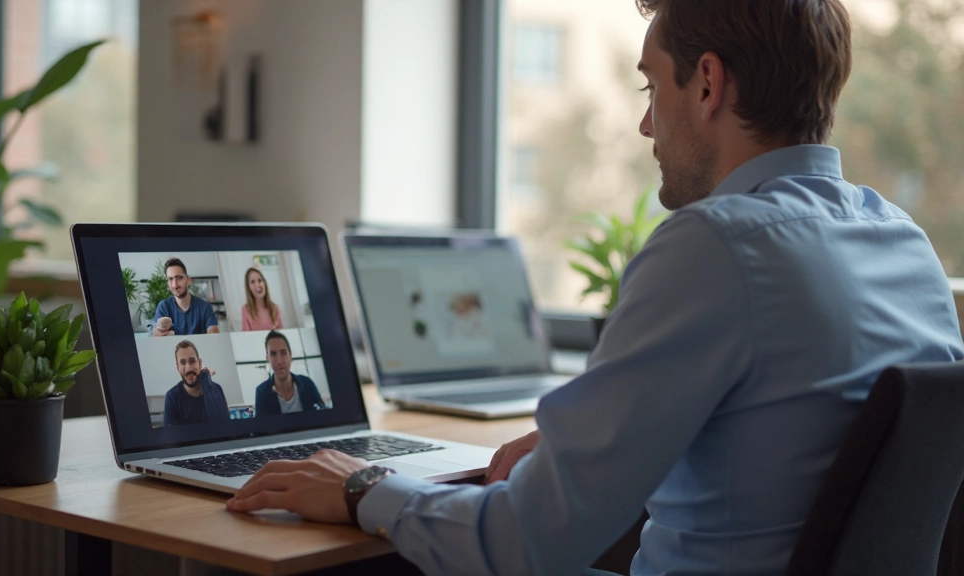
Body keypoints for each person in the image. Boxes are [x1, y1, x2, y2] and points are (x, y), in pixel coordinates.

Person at [224, 1, 964, 574]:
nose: (646, 124)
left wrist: (365, 489)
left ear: (706, 82)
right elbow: (784, 443)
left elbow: (519, 548)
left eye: (651, 86)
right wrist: (584, 435)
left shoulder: (719, 247)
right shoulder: (904, 243)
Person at [254, 331, 326, 416]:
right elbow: (262, 427)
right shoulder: (262, 393)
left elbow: (323, 417)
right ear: (267, 359)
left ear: (290, 356)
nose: (279, 361)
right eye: (273, 354)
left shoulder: (307, 384)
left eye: (283, 353)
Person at [163, 340, 230, 426]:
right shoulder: (172, 397)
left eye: (192, 361)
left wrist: (205, 377)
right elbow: (171, 437)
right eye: (183, 363)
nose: (188, 368)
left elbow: (224, 426)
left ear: (200, 363)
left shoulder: (216, 389)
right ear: (177, 367)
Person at [151, 258, 220, 337]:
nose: (175, 285)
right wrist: (158, 332)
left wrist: (212, 333)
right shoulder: (164, 306)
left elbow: (214, 335)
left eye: (179, 278)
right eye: (170, 279)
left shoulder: (204, 307)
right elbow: (155, 336)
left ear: (188, 280)